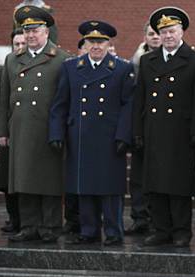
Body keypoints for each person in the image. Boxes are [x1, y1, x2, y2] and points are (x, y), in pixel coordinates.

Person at [49, 21, 134, 246]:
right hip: (80, 136)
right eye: (91, 42)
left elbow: (128, 106)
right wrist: (56, 133)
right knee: (84, 187)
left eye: (100, 42)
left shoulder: (122, 68)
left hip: (109, 138)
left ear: (109, 44)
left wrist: (124, 136)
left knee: (110, 189)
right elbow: (60, 104)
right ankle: (89, 231)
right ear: (85, 43)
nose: (95, 46)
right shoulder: (70, 67)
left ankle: (114, 232)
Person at [133, 7, 195, 247]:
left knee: (179, 185)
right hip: (154, 130)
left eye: (172, 31)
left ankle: (182, 230)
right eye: (163, 32)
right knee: (155, 183)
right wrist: (138, 131)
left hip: (181, 133)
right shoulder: (147, 60)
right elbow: (139, 100)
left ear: (181, 31)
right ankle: (161, 228)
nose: (168, 36)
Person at [0, 5, 69, 243]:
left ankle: (50, 226)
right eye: (26, 31)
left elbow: (65, 99)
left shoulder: (61, 59)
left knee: (48, 180)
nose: (29, 35)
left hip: (48, 129)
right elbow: (4, 99)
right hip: (20, 129)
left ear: (46, 32)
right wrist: (2, 132)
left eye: (35, 30)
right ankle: (28, 225)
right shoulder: (12, 59)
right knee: (23, 179)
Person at [126, 22, 162, 236]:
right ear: (145, 37)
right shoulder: (136, 62)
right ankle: (140, 217)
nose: (156, 37)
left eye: (159, 33)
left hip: (161, 129)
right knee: (138, 177)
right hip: (140, 125)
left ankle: (155, 218)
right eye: (151, 34)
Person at [0, 29, 25, 234]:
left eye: (23, 44)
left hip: (28, 133)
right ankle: (13, 218)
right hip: (9, 133)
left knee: (25, 179)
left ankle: (27, 220)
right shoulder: (6, 67)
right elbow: (1, 103)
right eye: (17, 44)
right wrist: (1, 132)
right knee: (7, 180)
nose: (20, 48)